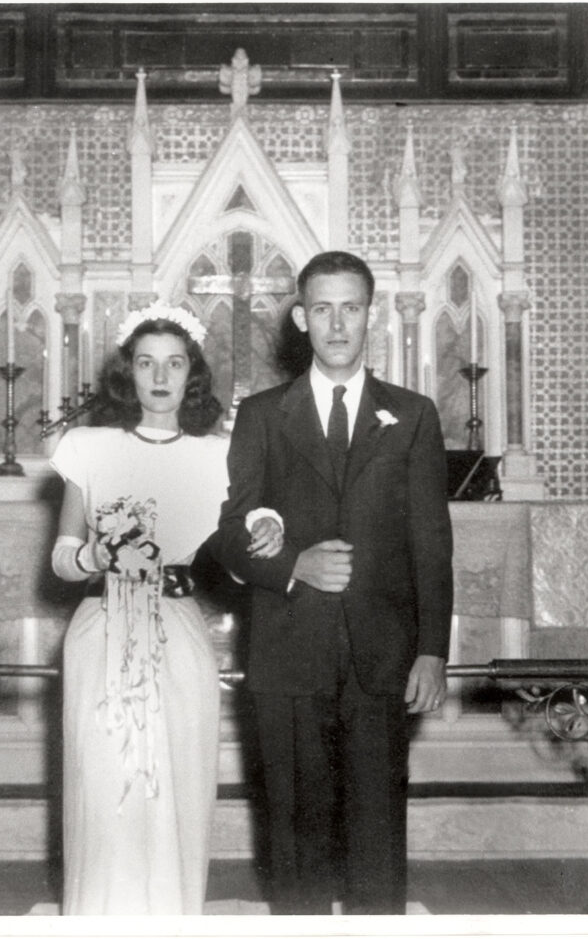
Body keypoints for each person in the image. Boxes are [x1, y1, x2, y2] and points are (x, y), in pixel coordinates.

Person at [205, 251, 454, 915]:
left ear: (369, 314)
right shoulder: (262, 414)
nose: (337, 323)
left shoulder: (414, 415)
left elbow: (431, 543)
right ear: (300, 318)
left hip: (382, 658)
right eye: (322, 308)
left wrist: (432, 649)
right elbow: (228, 532)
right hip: (289, 656)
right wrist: (293, 566)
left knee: (377, 841)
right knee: (296, 846)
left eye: (350, 307)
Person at [49, 301, 281, 915]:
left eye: (174, 364)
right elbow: (62, 558)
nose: (160, 376)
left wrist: (267, 528)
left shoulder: (219, 453)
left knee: (175, 780)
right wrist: (95, 555)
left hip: (178, 628)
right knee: (104, 783)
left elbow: (241, 541)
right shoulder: (88, 445)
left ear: (192, 375)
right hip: (100, 629)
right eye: (147, 363)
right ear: (129, 372)